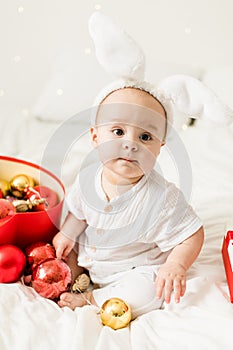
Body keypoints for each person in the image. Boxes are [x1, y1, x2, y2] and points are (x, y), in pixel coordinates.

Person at [52, 86, 204, 318]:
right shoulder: (87, 177)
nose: (131, 144)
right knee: (62, 251)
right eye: (118, 131)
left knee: (149, 292)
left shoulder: (163, 198)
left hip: (131, 269)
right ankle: (69, 278)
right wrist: (68, 234)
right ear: (95, 137)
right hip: (89, 258)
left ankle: (91, 299)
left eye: (145, 137)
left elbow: (192, 233)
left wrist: (176, 265)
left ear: (159, 148)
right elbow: (78, 213)